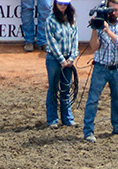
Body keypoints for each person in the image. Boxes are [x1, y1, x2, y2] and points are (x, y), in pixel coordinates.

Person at [82, 0, 118, 142]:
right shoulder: (100, 24)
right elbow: (94, 47)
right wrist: (94, 29)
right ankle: (88, 131)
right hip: (100, 67)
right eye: (110, 10)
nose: (113, 13)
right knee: (93, 100)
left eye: (116, 10)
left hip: (117, 68)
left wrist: (107, 31)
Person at [43, 0, 77, 128]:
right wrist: (62, 60)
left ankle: (67, 118)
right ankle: (52, 119)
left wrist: (72, 56)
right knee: (53, 88)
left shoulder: (71, 19)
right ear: (55, 4)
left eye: (65, 4)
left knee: (66, 88)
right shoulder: (50, 20)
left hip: (68, 59)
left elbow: (75, 39)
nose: (62, 6)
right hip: (54, 59)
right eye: (60, 3)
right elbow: (51, 42)